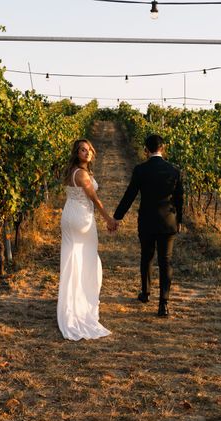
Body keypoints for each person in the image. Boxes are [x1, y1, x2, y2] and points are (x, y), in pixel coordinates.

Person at [113, 134, 183, 317]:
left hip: (147, 221)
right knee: (165, 261)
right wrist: (179, 221)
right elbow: (179, 200)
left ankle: (145, 293)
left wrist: (117, 216)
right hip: (168, 222)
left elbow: (130, 195)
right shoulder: (174, 171)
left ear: (146, 150)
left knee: (147, 257)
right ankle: (164, 304)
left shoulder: (140, 170)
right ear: (163, 148)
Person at [57, 139, 116, 340]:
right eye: (83, 150)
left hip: (69, 215)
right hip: (81, 218)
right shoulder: (81, 174)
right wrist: (108, 218)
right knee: (87, 261)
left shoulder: (72, 171)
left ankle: (71, 303)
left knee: (72, 260)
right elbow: (94, 199)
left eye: (89, 149)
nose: (87, 152)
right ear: (77, 152)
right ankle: (79, 306)